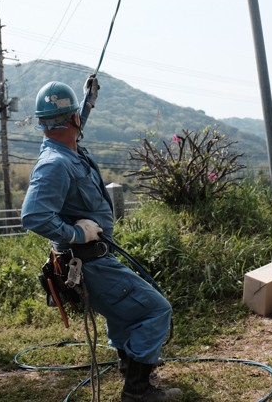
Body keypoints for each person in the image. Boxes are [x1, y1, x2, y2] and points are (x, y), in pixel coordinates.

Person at [21, 77, 181, 402]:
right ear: (73, 121)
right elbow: (33, 215)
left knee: (124, 313)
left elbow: (70, 126)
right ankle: (138, 390)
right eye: (78, 117)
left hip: (96, 260)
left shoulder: (65, 147)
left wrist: (87, 102)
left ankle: (129, 365)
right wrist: (77, 233)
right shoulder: (55, 164)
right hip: (89, 263)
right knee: (156, 310)